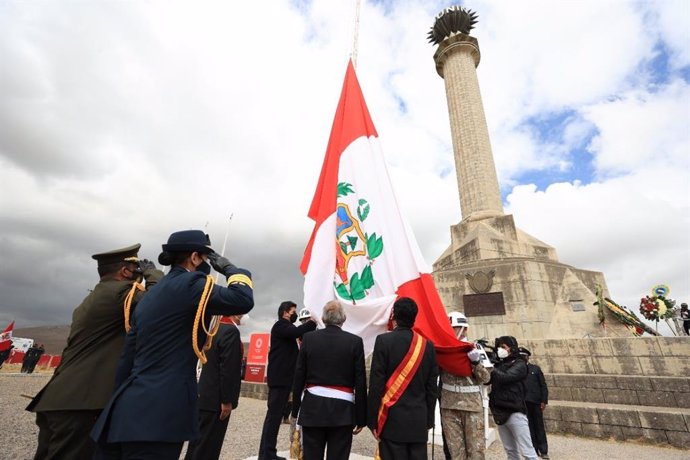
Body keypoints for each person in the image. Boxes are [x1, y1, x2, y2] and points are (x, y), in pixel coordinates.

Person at [91, 230, 254, 460]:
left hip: (126, 410)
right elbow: (243, 299)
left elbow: (126, 360)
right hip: (161, 415)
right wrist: (231, 270)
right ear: (195, 257)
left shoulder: (151, 295)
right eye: (206, 258)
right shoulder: (191, 284)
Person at [26, 243, 162, 460]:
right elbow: (158, 301)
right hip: (82, 402)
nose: (138, 275)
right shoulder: (118, 293)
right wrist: (154, 274)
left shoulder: (93, 298)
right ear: (125, 271)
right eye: (135, 269)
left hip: (62, 397)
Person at [291, 301, 367, 460]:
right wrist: (361, 417)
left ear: (324, 319)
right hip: (343, 411)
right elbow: (360, 381)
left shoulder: (309, 339)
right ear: (343, 318)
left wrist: (296, 410)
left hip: (313, 408)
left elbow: (299, 375)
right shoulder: (354, 342)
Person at [367, 297, 438, 460]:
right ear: (415, 317)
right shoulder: (428, 346)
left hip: (391, 419)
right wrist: (428, 421)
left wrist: (372, 420)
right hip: (418, 420)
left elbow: (376, 383)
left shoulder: (384, 341)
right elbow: (431, 388)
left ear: (394, 316)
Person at [257, 301, 317, 460]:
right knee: (273, 418)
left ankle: (266, 453)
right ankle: (267, 454)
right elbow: (297, 331)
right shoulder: (281, 326)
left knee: (273, 418)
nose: (295, 314)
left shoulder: (287, 329)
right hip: (279, 381)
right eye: (293, 311)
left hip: (283, 381)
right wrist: (313, 321)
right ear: (285, 313)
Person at [185, 314, 245, 460]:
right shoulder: (230, 331)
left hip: (204, 394)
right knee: (208, 448)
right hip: (216, 400)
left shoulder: (213, 329)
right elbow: (228, 370)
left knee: (197, 444)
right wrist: (227, 400)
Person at [440, 312, 491, 460]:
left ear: (464, 329)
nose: (450, 331)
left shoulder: (475, 348)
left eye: (454, 328)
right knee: (455, 453)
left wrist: (476, 363)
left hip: (471, 407)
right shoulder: (443, 350)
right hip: (449, 406)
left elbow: (486, 378)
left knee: (475, 452)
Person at [489, 336, 536, 460]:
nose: (500, 350)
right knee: (510, 451)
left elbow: (506, 377)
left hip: (515, 411)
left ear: (512, 348)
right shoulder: (500, 364)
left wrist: (491, 368)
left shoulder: (519, 364)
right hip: (500, 412)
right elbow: (487, 381)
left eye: (503, 347)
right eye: (498, 347)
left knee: (528, 453)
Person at [519, 348, 549, 459]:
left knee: (539, 426)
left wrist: (544, 400)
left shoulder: (535, 369)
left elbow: (543, 385)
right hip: (523, 402)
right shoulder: (517, 370)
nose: (522, 358)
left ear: (528, 357)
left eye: (524, 356)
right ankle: (533, 449)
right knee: (528, 427)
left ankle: (544, 450)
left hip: (536, 402)